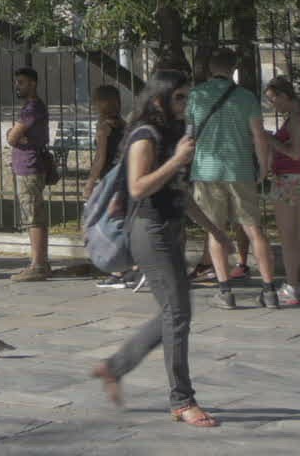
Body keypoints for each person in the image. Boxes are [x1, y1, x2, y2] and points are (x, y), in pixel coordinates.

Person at [91, 70, 218, 428]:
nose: (186, 104)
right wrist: (176, 159)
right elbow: (138, 187)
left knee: (175, 312)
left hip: (170, 229)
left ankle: (114, 367)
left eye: (187, 97)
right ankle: (182, 400)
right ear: (160, 99)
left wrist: (214, 231)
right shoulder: (145, 135)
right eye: (180, 97)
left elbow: (178, 192)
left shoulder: (172, 133)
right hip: (149, 230)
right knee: (177, 313)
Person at [186, 47, 276, 310]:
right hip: (240, 169)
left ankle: (225, 291)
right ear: (233, 69)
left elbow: (189, 134)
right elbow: (259, 135)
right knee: (254, 229)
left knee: (215, 230)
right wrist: (263, 166)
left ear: (210, 69)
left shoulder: (196, 96)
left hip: (207, 170)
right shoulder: (246, 97)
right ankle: (269, 289)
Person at [264, 77, 300, 305]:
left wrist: (270, 139)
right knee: (298, 234)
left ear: (284, 95)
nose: (272, 105)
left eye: (273, 99)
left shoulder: (296, 118)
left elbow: (295, 152)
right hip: (299, 177)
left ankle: (292, 286)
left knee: (288, 236)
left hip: (288, 178)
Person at [7, 67, 53, 282]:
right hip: (28, 165)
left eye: (21, 82)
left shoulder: (32, 109)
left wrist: (14, 135)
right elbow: (13, 135)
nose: (17, 86)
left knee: (33, 215)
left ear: (33, 83)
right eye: (17, 82)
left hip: (29, 166)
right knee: (32, 214)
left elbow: (12, 137)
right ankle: (39, 261)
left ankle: (38, 264)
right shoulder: (30, 107)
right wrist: (14, 135)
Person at [86, 85, 132, 289]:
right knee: (124, 221)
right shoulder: (124, 124)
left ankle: (118, 271)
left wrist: (90, 182)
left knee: (111, 224)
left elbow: (100, 157)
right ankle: (128, 266)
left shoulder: (104, 127)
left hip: (110, 179)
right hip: (125, 176)